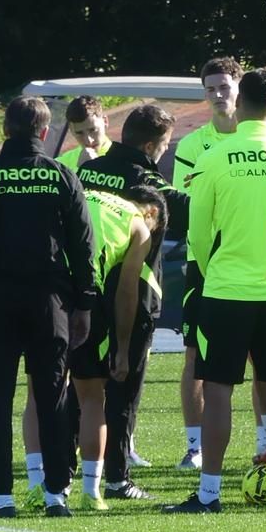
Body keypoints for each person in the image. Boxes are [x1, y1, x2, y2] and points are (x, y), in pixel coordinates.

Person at [163, 69, 266, 513]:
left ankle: (209, 494)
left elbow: (197, 229)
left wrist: (215, 273)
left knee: (217, 390)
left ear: (241, 103)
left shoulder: (216, 157)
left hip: (226, 290)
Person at [0, 97, 98, 518]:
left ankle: (2, 498)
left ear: (5, 130)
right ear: (45, 132)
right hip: (49, 303)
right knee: (52, 397)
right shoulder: (62, 177)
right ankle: (55, 495)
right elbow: (82, 248)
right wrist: (84, 303)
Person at [64, 104, 190, 499]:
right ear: (153, 144)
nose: (165, 151)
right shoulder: (145, 181)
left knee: (79, 388)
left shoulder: (89, 169)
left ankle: (63, 469)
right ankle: (118, 477)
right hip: (130, 296)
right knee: (122, 387)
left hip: (83, 291)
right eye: (166, 144)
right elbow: (187, 211)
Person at [68, 185, 164, 511]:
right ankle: (92, 490)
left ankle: (45, 485)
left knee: (41, 393)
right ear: (151, 213)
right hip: (83, 297)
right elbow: (126, 293)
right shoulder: (137, 223)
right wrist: (122, 349)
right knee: (93, 397)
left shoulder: (83, 194)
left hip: (42, 289)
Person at [172, 56, 242, 470]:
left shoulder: (258, 139)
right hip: (203, 263)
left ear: (238, 88)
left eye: (224, 87)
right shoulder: (192, 145)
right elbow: (187, 203)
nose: (218, 95)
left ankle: (265, 443)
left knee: (256, 355)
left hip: (250, 261)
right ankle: (195, 446)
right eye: (211, 88)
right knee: (194, 356)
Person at [56, 95, 111, 167]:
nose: (88, 140)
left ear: (105, 121)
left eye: (93, 130)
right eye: (79, 133)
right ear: (71, 131)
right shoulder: (61, 164)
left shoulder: (121, 160)